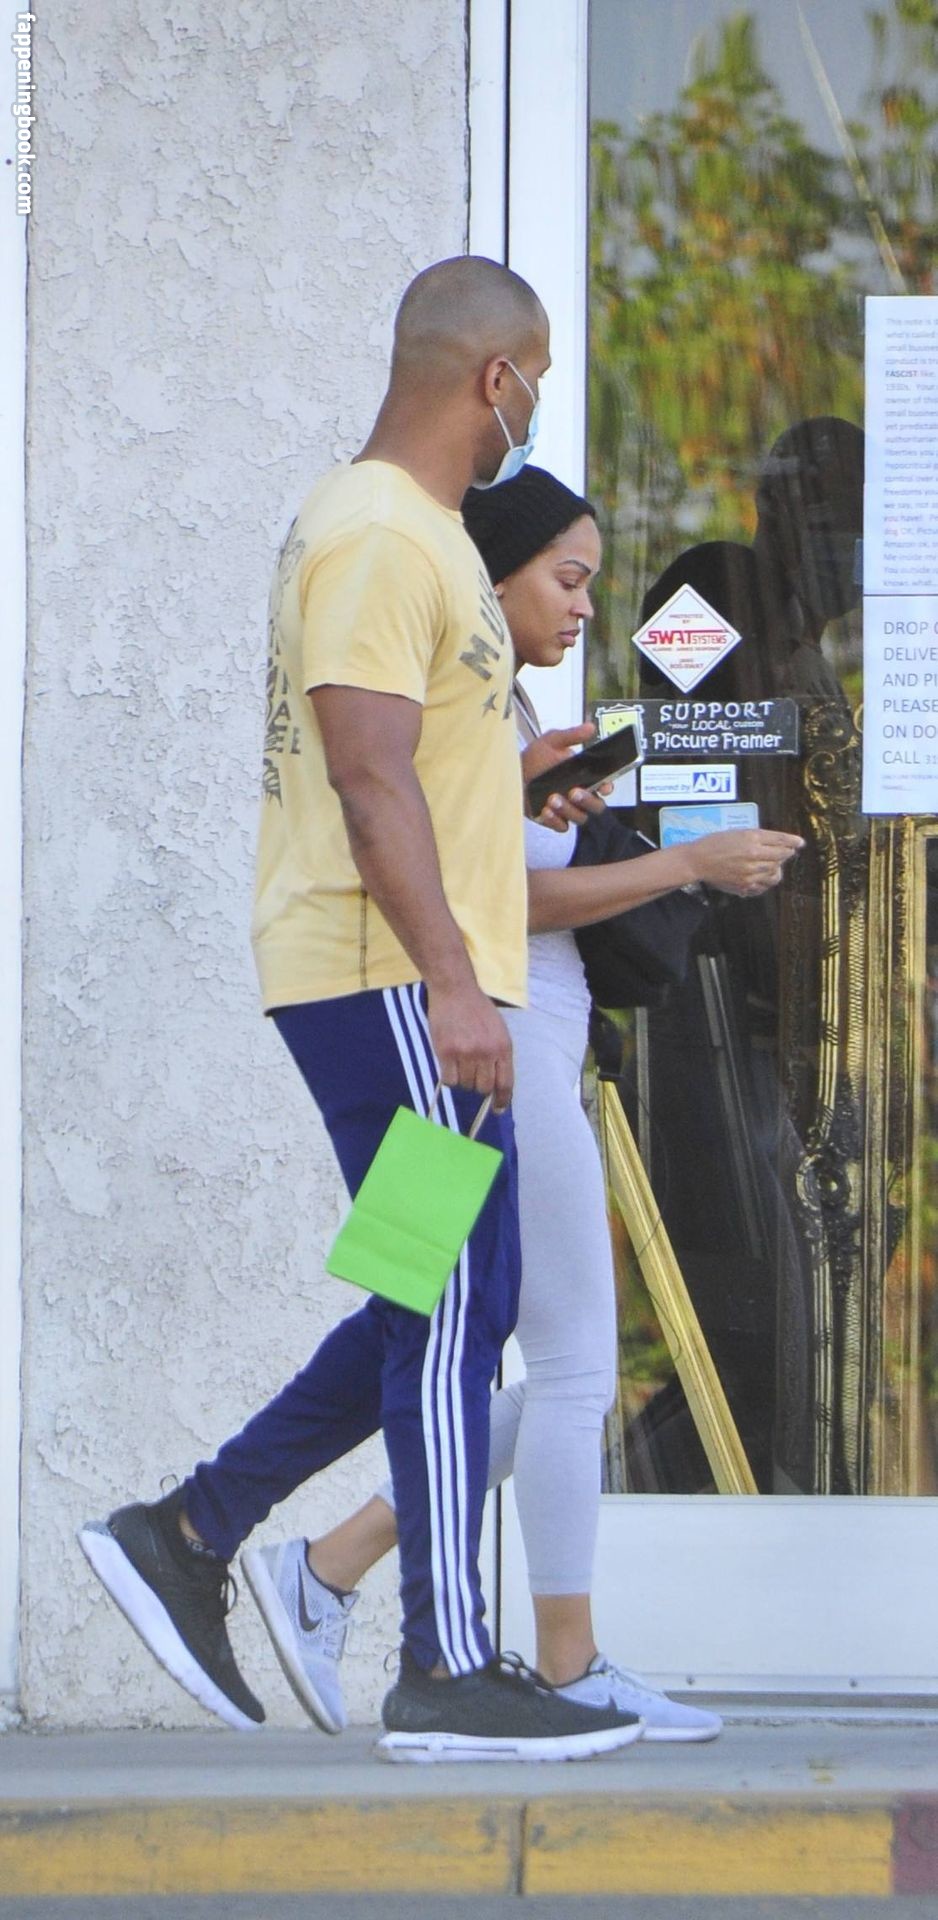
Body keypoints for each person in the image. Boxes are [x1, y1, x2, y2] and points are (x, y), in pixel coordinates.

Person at [79, 260, 649, 1763]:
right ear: (494, 378)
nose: (533, 408)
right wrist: (455, 984)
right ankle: (444, 1664)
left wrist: (522, 781)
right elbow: (362, 772)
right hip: (387, 977)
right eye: (536, 381)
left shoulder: (424, 539)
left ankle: (190, 1532)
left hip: (406, 974)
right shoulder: (381, 533)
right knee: (461, 1301)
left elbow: (422, 765)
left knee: (428, 1294)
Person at [237, 466, 803, 1738]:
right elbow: (500, 896)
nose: (586, 606)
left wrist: (533, 784)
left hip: (463, 1045)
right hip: (491, 1051)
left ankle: (309, 1562)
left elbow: (476, 858)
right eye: (566, 578)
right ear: (488, 581)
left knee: (425, 1334)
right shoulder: (457, 701)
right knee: (562, 1363)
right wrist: (686, 861)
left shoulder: (493, 712)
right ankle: (558, 1661)